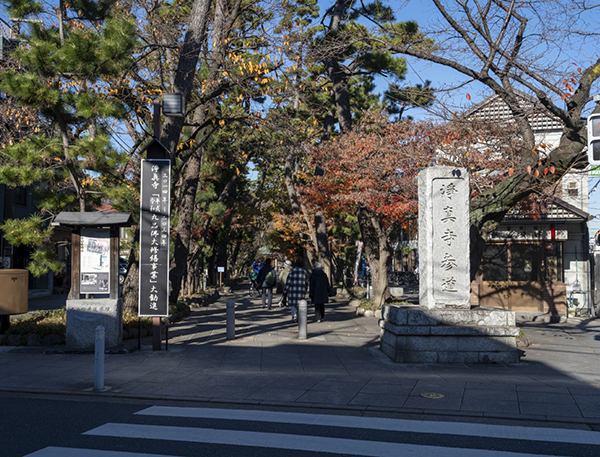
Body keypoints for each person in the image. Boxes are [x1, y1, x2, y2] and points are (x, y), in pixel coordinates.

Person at [284, 258, 309, 323]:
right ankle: (299, 316)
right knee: (300, 304)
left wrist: (285, 290)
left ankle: (294, 315)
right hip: (301, 290)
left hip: (293, 289)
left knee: (293, 304)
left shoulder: (292, 271)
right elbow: (306, 282)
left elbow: (288, 281)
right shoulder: (304, 271)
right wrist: (305, 289)